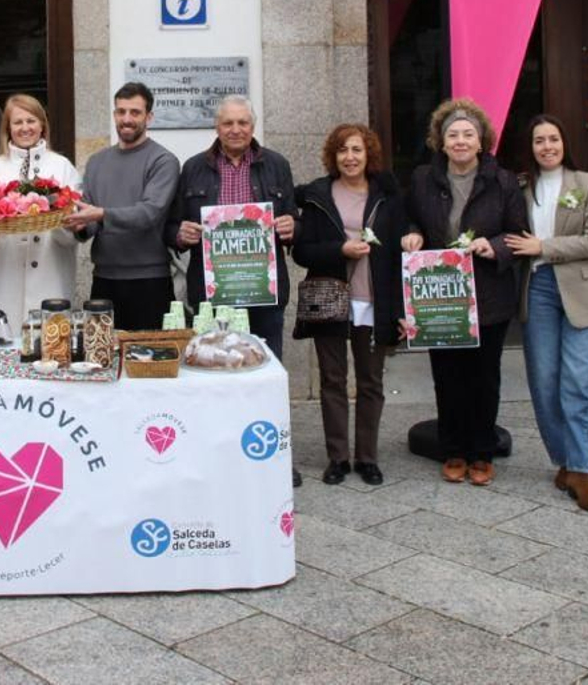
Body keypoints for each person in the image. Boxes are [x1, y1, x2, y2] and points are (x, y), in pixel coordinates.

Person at [401, 98, 529, 487]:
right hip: (440, 294)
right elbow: (410, 217)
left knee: (484, 377)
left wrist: (495, 246)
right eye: (452, 134)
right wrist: (412, 234)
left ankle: (482, 451)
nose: (460, 141)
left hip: (488, 293)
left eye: (468, 134)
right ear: (440, 142)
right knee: (447, 375)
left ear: (481, 140)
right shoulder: (423, 178)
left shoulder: (503, 181)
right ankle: (454, 449)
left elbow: (518, 233)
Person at [504, 114, 588, 513]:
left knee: (581, 379)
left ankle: (582, 469)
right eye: (539, 140)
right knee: (544, 380)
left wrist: (544, 247)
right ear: (530, 147)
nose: (547, 146)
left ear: (564, 143)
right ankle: (564, 459)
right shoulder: (520, 187)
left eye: (553, 139)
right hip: (538, 289)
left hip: (582, 290)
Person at [293, 124, 406, 486]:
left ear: (368, 154)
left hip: (375, 299)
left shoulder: (388, 195)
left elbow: (400, 253)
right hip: (330, 298)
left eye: (357, 149)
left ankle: (367, 458)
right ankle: (338, 458)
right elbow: (302, 251)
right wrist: (339, 249)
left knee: (371, 381)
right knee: (333, 380)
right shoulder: (318, 196)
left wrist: (402, 308)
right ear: (333, 156)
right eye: (342, 150)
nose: (350, 157)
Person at [168, 94, 298, 355]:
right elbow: (170, 227)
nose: (236, 130)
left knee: (265, 366)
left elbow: (295, 220)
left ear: (253, 126)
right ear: (217, 127)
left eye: (243, 122)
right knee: (212, 365)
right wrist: (180, 235)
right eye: (228, 123)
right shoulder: (193, 168)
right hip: (212, 296)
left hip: (264, 293)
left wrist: (292, 227)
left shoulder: (277, 165)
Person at [63, 82, 181, 330]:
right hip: (103, 280)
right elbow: (90, 219)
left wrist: (101, 214)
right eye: (121, 111)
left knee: (151, 354)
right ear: (114, 114)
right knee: (101, 351)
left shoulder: (163, 161)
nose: (127, 119)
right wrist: (79, 226)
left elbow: (149, 213)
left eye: (135, 112)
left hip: (150, 282)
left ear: (149, 117)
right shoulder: (96, 162)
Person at [0, 95, 82, 317]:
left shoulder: (62, 166)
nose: (25, 128)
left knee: (50, 335)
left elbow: (74, 233)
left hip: (50, 273)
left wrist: (56, 215)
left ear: (42, 125)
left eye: (31, 121)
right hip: (4, 275)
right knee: (3, 334)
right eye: (17, 122)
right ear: (8, 128)